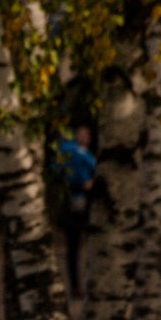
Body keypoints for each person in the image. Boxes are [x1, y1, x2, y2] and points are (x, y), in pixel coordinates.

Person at [57, 125, 96, 299]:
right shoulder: (76, 153)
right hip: (77, 205)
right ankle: (78, 286)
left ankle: (84, 285)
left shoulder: (74, 153)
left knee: (86, 248)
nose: (85, 137)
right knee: (75, 249)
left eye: (87, 134)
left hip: (78, 205)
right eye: (81, 134)